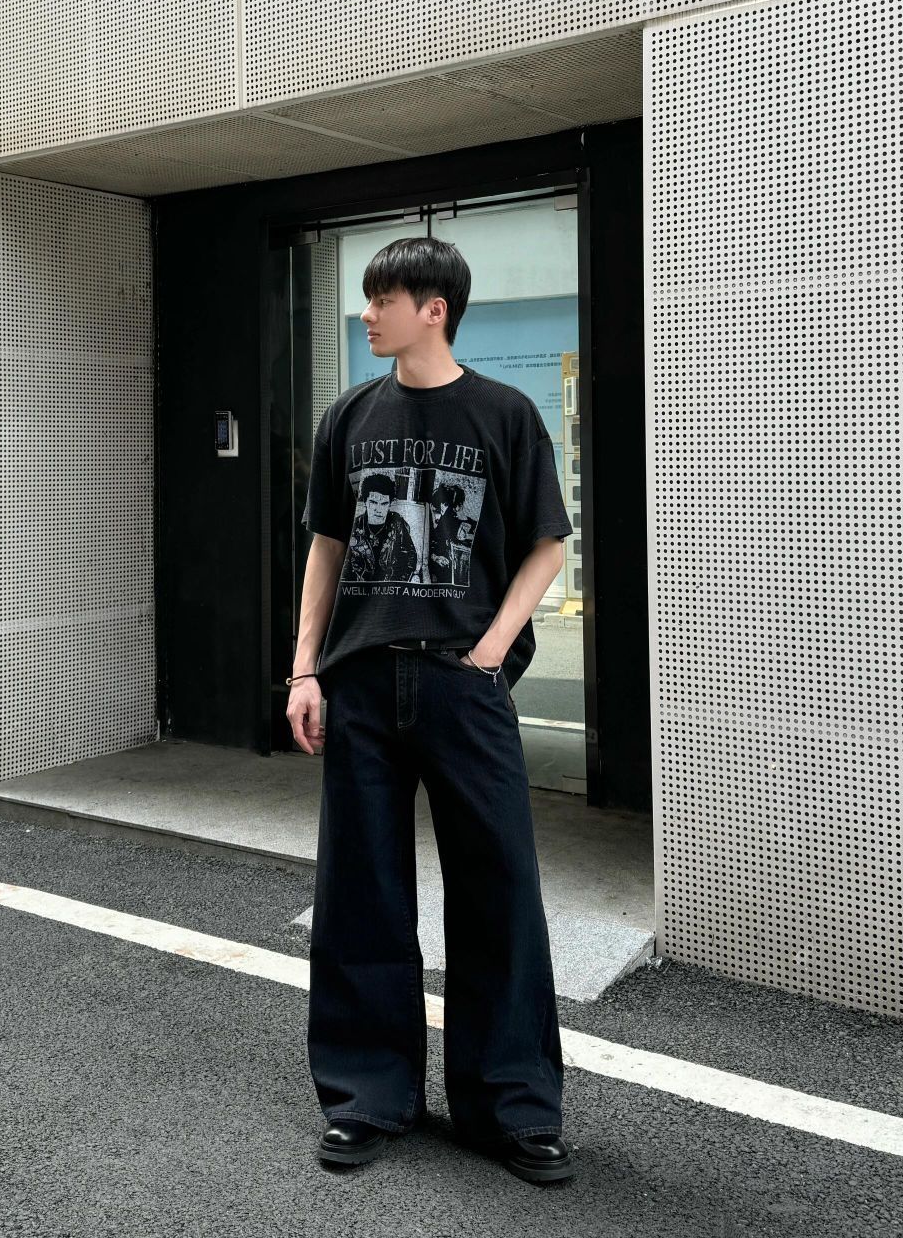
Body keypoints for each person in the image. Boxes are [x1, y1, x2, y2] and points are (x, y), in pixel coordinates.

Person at [287, 236, 576, 1184]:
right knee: (360, 893)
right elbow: (329, 547)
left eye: (383, 299)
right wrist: (304, 670)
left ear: (434, 309)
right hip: (363, 684)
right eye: (368, 299)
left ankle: (512, 1109)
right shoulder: (349, 416)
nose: (368, 314)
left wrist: (490, 651)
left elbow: (546, 544)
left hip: (465, 685)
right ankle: (366, 1097)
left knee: (499, 892)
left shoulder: (505, 413)